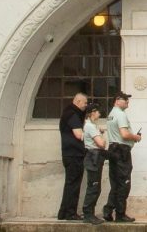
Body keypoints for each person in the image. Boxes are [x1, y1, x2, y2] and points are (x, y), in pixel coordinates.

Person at [102, 90, 142, 222]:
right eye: (125, 99)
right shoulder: (120, 114)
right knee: (124, 183)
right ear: (117, 100)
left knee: (115, 183)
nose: (127, 102)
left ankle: (108, 211)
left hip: (113, 149)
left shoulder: (111, 115)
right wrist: (135, 137)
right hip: (121, 151)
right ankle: (120, 214)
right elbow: (124, 134)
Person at [57, 92, 89, 221]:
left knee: (70, 184)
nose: (86, 105)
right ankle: (70, 213)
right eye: (85, 103)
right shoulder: (73, 114)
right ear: (78, 101)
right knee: (73, 185)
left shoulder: (68, 113)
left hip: (70, 154)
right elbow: (78, 134)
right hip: (74, 155)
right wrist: (93, 134)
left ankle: (63, 213)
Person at [81, 102, 108, 225]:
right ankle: (88, 214)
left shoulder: (92, 125)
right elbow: (101, 144)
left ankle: (90, 213)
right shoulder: (90, 126)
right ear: (92, 112)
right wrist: (102, 139)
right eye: (98, 111)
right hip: (93, 157)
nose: (99, 113)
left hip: (95, 157)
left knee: (95, 187)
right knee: (93, 186)